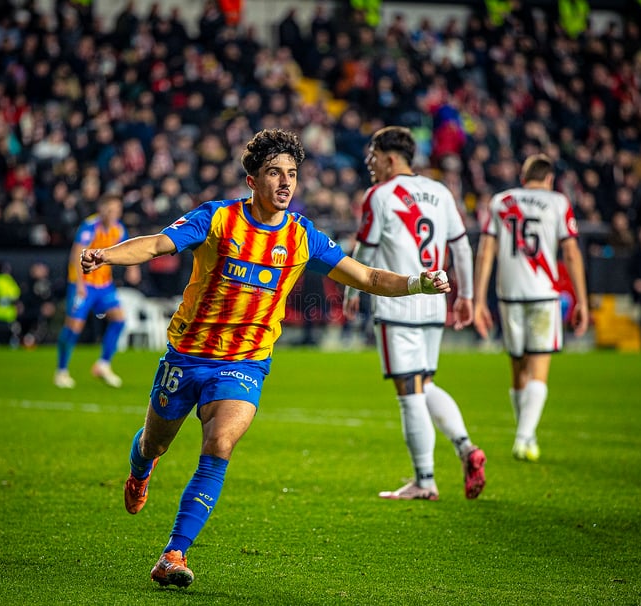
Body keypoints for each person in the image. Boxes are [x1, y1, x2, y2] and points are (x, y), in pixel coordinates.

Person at [79, 129, 452, 588]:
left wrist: (418, 283)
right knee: (153, 445)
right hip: (188, 354)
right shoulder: (217, 219)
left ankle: (174, 553)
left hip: (245, 362)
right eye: (275, 172)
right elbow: (157, 244)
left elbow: (368, 276)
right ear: (252, 180)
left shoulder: (301, 236)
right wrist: (105, 256)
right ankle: (140, 471)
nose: (285, 182)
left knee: (220, 444)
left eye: (292, 173)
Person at [342, 126, 486, 501]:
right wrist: (467, 296)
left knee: (409, 392)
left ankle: (424, 481)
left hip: (398, 303)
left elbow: (366, 251)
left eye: (374, 156)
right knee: (425, 383)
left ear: (391, 159)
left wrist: (351, 288)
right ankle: (467, 448)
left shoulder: (379, 195)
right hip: (434, 303)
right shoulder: (441, 192)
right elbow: (462, 247)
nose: (369, 163)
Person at [473, 153, 589, 462]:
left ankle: (527, 435)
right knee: (539, 366)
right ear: (550, 179)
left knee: (518, 368)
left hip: (509, 295)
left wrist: (479, 299)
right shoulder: (558, 203)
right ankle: (524, 438)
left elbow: (485, 252)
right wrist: (582, 300)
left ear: (523, 178)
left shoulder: (500, 202)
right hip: (543, 294)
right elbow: (571, 253)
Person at [54, 192, 140, 388]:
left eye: (117, 210)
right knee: (74, 327)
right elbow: (76, 255)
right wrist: (80, 285)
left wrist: (133, 268)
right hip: (84, 284)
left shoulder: (119, 228)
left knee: (119, 320)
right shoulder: (90, 226)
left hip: (104, 285)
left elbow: (127, 249)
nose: (113, 214)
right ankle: (61, 370)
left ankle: (103, 364)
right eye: (110, 210)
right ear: (101, 209)